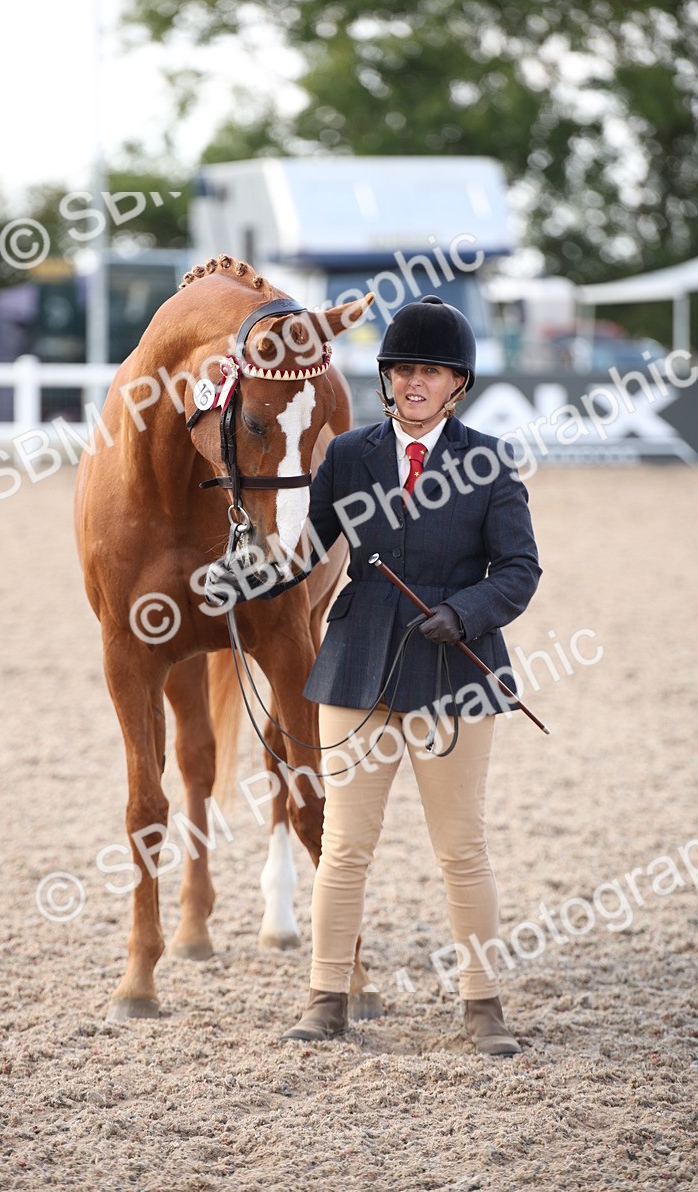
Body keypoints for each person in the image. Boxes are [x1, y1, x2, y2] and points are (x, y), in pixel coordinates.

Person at [216, 295, 542, 1055]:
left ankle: (483, 1004)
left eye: (431, 371)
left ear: (457, 382)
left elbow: (520, 570)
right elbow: (309, 551)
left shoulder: (489, 461)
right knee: (344, 846)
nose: (415, 384)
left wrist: (463, 614)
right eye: (403, 371)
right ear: (387, 378)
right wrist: (252, 569)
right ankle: (326, 997)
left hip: (454, 672)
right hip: (357, 666)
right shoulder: (348, 455)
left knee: (461, 848)